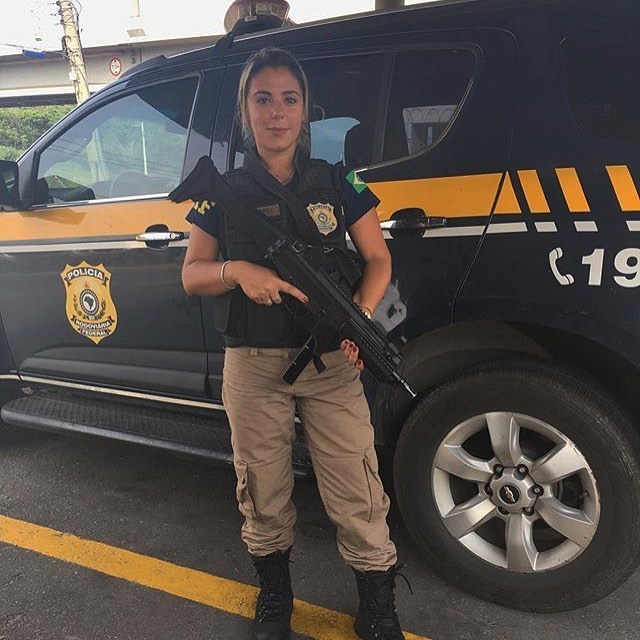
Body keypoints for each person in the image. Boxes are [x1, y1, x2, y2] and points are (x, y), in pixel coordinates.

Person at [181, 47, 406, 640]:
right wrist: (239, 273)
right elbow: (193, 273)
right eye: (263, 100)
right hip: (253, 366)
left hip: (333, 362)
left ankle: (378, 600)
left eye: (289, 99)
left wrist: (355, 320)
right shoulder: (222, 192)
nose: (276, 113)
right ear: (244, 112)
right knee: (262, 484)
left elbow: (378, 258)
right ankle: (275, 595)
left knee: (357, 483)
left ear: (305, 111)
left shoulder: (337, 181)